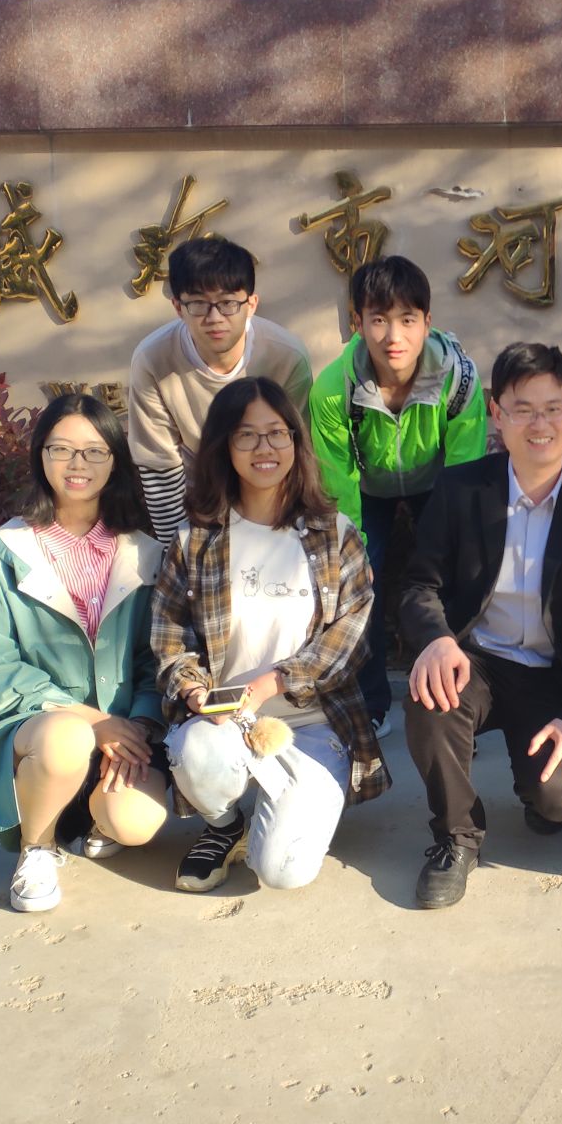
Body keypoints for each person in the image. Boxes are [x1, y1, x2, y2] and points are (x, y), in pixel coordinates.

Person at [400, 342, 562, 909]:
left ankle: (539, 791)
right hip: (476, 661)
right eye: (523, 409)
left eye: (553, 408)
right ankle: (457, 836)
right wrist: (437, 640)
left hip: (553, 673)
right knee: (428, 697)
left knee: (557, 801)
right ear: (497, 413)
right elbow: (418, 585)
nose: (540, 424)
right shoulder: (461, 489)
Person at [151, 377, 390, 894]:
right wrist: (191, 687)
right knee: (199, 755)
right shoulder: (194, 541)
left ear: (295, 442)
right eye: (247, 435)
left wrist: (273, 683)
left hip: (315, 723)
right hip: (225, 722)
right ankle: (224, 825)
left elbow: (351, 635)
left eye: (277, 433)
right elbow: (170, 636)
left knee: (283, 872)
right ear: (224, 446)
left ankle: (287, 801)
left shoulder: (334, 533)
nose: (265, 448)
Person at [0, 394, 168, 913]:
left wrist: (137, 727)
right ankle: (37, 848)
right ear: (40, 455)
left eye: (94, 450)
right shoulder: (4, 551)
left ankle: (92, 816)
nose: (77, 463)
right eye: (61, 448)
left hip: (122, 728)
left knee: (135, 823)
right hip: (39, 729)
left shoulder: (144, 552)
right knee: (68, 736)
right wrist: (92, 720)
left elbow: (154, 659)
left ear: (115, 460)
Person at [309, 255, 487, 740]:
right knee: (357, 578)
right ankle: (371, 703)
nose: (394, 336)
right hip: (368, 488)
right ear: (357, 323)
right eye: (379, 319)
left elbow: (465, 470)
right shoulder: (332, 390)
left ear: (428, 321)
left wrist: (449, 542)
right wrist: (355, 550)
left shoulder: (459, 379)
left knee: (454, 571)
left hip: (438, 482)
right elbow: (337, 481)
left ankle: (458, 697)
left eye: (408, 319)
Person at [128, 237, 313, 546]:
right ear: (178, 307)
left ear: (251, 304)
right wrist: (181, 551)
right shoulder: (152, 360)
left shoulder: (287, 356)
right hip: (197, 495)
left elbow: (297, 454)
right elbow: (161, 469)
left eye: (228, 303)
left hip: (270, 491)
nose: (214, 318)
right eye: (199, 304)